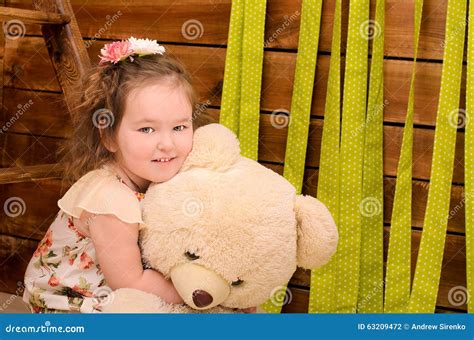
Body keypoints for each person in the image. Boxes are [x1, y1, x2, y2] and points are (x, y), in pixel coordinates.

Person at [22, 37, 197, 313]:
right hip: (72, 304)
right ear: (109, 138)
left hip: (120, 290)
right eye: (147, 130)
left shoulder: (158, 171)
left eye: (179, 127)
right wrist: (198, 295)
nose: (168, 144)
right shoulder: (111, 200)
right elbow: (129, 281)